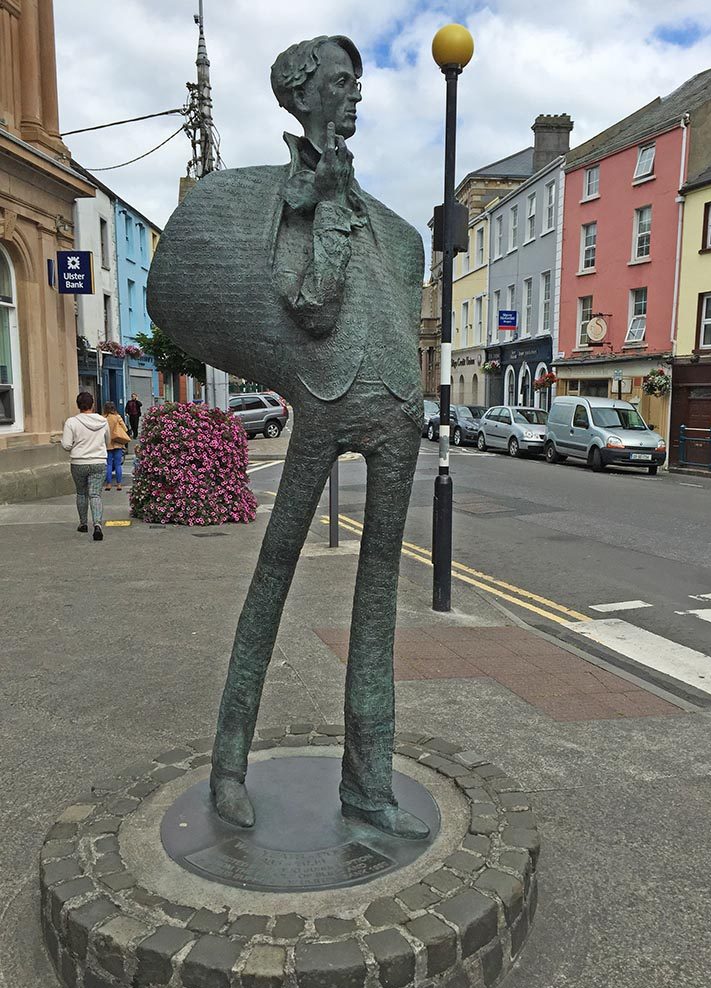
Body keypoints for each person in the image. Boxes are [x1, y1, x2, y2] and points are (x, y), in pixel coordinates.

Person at [148, 36, 426, 839]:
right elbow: (310, 305)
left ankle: (369, 785)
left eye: (358, 83)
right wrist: (328, 210)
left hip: (396, 414)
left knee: (379, 601)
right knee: (271, 580)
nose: (356, 96)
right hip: (329, 404)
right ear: (302, 96)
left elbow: (397, 307)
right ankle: (228, 765)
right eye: (341, 83)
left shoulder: (393, 226)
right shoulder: (295, 202)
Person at [61, 391, 110, 541]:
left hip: (79, 462)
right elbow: (107, 441)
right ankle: (97, 525)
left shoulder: (71, 422)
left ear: (78, 405)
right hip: (98, 461)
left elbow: (67, 445)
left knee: (81, 493)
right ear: (92, 404)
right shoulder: (103, 421)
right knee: (95, 494)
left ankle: (83, 524)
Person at [103, 401, 130, 491]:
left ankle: (109, 484)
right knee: (118, 465)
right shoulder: (117, 417)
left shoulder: (103, 418)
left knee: (109, 464)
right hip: (118, 443)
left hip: (107, 444)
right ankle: (119, 484)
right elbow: (125, 429)